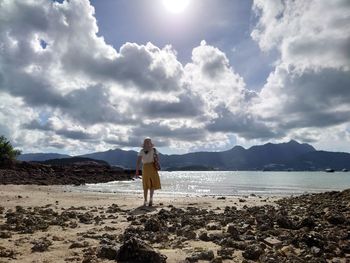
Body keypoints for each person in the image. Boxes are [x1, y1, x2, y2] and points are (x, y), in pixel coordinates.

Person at [135, 137, 161, 206]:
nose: (147, 143)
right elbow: (158, 160)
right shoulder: (154, 150)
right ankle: (149, 200)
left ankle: (147, 200)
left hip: (147, 167)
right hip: (150, 167)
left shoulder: (142, 151)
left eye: (148, 142)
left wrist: (137, 171)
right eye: (147, 142)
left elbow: (138, 162)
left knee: (147, 184)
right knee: (149, 184)